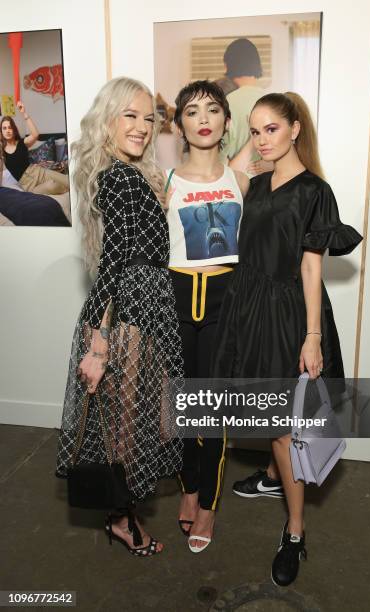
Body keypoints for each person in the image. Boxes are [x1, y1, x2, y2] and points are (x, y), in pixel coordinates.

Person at [212, 92, 363, 585]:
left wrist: (313, 335)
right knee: (267, 413)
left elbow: (311, 265)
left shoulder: (313, 191)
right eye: (254, 131)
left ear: (296, 128)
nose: (261, 140)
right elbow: (227, 168)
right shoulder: (254, 185)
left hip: (290, 315)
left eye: (272, 129)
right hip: (249, 309)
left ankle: (295, 532)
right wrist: (254, 142)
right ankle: (276, 477)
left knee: (285, 426)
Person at [55, 77, 184, 556]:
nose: (142, 127)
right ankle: (124, 522)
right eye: (130, 115)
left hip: (141, 309)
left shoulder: (125, 176)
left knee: (124, 423)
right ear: (107, 119)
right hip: (130, 315)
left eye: (149, 118)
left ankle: (119, 517)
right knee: (126, 427)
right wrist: (100, 341)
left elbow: (125, 253)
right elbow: (115, 263)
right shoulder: (121, 177)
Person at [165, 80, 249, 553]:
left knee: (211, 407)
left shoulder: (242, 180)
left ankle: (209, 505)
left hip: (224, 301)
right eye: (192, 111)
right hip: (176, 297)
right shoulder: (167, 181)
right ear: (179, 123)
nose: (202, 119)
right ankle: (189, 488)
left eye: (212, 110)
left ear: (225, 120)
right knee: (181, 405)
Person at [1, 101, 69, 195]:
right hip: (29, 186)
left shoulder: (22, 142)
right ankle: (68, 191)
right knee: (52, 185)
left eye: (10, 127)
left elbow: (35, 135)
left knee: (68, 180)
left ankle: (71, 189)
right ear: (1, 132)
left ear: (13, 129)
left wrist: (24, 113)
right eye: (4, 128)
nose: (7, 130)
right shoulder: (2, 150)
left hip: (40, 172)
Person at [220, 38, 265, 164]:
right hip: (269, 181)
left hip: (235, 181)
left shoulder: (225, 103)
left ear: (227, 65)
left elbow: (220, 166)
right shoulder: (275, 101)